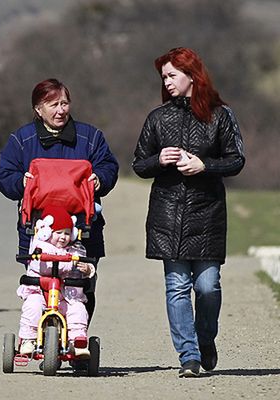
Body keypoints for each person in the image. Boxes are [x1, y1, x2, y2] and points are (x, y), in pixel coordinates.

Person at [132, 47, 245, 378]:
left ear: (192, 76)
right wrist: (159, 160)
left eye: (172, 75)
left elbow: (236, 160)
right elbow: (138, 164)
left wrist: (203, 165)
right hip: (167, 215)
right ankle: (189, 356)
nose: (166, 82)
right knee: (177, 287)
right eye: (163, 77)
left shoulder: (221, 115)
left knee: (208, 287)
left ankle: (205, 339)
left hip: (207, 214)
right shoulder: (157, 118)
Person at [0, 78, 118, 323]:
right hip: (37, 230)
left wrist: (99, 179)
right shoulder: (22, 139)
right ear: (38, 109)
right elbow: (4, 176)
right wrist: (21, 182)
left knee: (81, 287)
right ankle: (46, 335)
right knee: (40, 286)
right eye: (52, 104)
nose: (61, 110)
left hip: (84, 228)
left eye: (64, 103)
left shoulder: (90, 137)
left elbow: (109, 167)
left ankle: (76, 338)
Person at [17, 205, 95, 356]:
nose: (63, 237)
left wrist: (87, 269)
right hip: (41, 292)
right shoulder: (40, 248)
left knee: (77, 310)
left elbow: (83, 267)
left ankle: (78, 341)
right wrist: (60, 259)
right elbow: (39, 266)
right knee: (32, 307)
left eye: (67, 233)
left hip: (66, 296)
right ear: (47, 233)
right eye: (58, 233)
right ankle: (28, 339)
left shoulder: (75, 251)